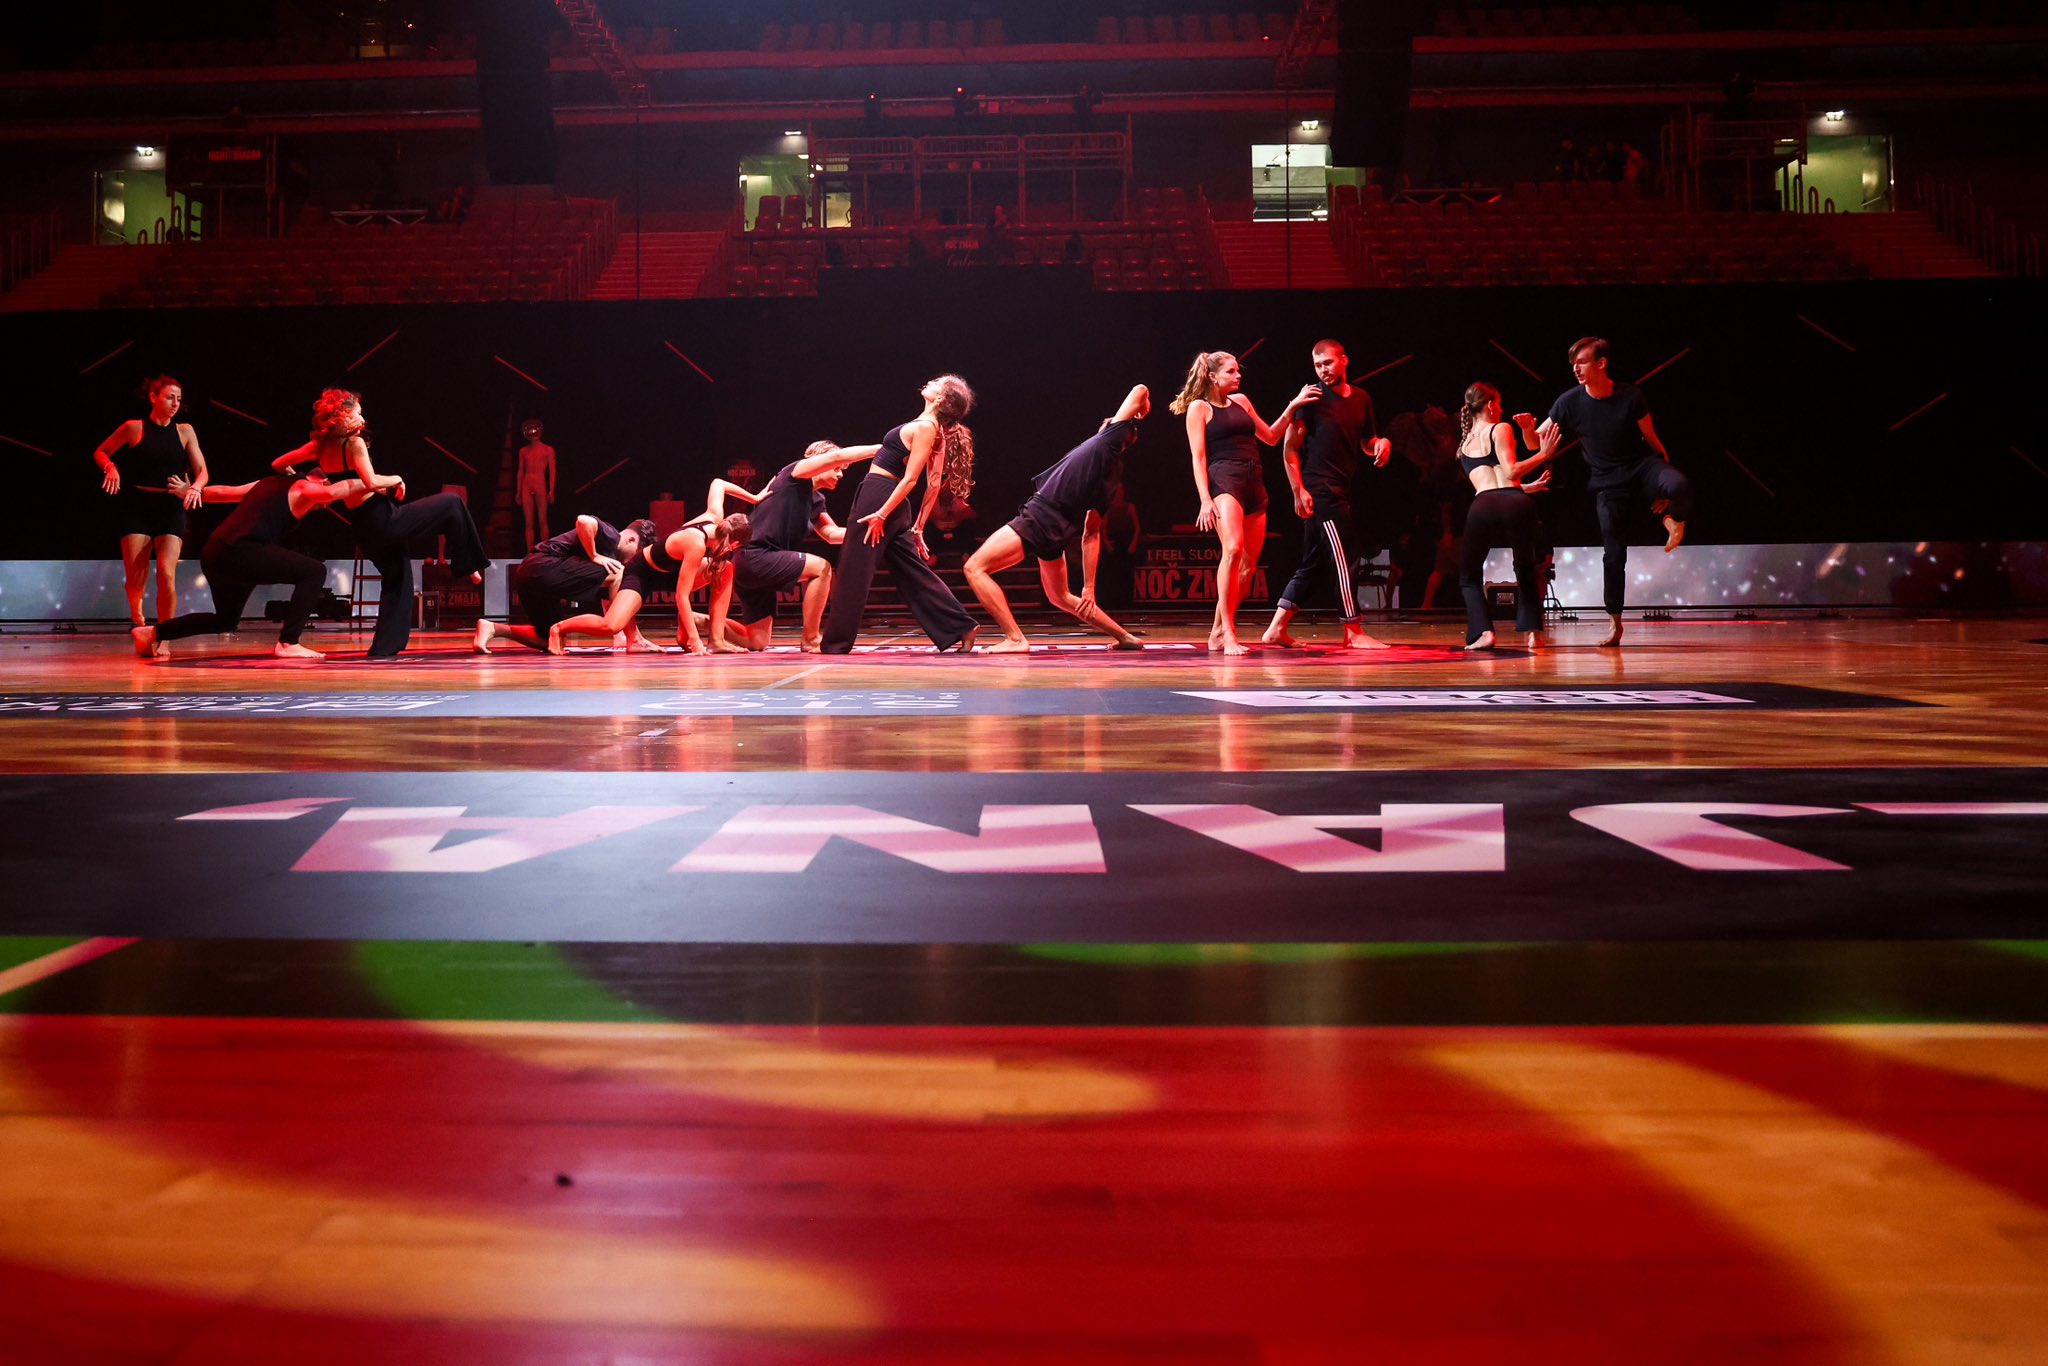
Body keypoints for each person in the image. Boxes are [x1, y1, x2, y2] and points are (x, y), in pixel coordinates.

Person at [271, 388, 487, 658]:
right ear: (343, 416)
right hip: (383, 518)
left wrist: (303, 482)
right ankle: (467, 564)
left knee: (398, 579)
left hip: (363, 527)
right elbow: (371, 481)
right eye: (358, 413)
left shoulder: (319, 447)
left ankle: (384, 648)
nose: (363, 418)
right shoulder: (354, 444)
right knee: (451, 503)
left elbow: (278, 464)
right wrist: (396, 478)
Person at [963, 384, 1153, 653]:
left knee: (975, 568)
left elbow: (1140, 389)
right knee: (1060, 596)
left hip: (1041, 515)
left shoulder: (1107, 441)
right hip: (1059, 527)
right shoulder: (1110, 472)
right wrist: (1088, 588)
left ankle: (1015, 638)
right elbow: (1091, 533)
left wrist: (1142, 410)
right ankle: (1125, 637)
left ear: (1119, 432)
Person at [1536, 336, 1694, 647]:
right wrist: (1529, 430)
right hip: (1608, 483)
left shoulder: (1630, 396)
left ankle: (1674, 520)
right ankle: (1615, 624)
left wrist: (1664, 490)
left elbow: (1652, 440)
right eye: (1573, 364)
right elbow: (1537, 441)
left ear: (1601, 363)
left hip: (1641, 467)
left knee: (1679, 486)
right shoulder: (1569, 402)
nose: (1576, 369)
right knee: (1614, 554)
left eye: (1582, 362)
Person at [130, 467, 368, 661]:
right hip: (241, 550)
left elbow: (225, 492)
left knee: (225, 621)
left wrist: (191, 491)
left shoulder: (267, 483)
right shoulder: (305, 487)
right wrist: (375, 482)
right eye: (322, 500)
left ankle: (151, 633)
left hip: (217, 551)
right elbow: (337, 491)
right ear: (322, 481)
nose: (321, 505)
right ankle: (288, 642)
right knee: (314, 571)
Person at [1168, 350, 1319, 654]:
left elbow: (1271, 437)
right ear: (1213, 376)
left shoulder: (1242, 401)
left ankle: (1216, 632)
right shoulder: (1199, 408)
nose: (1238, 375)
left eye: (1238, 370)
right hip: (1225, 480)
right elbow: (1198, 458)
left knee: (1248, 567)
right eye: (1231, 371)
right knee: (1233, 549)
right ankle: (1229, 634)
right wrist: (1205, 499)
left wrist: (1293, 405)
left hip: (1254, 480)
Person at [818, 375, 981, 654]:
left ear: (941, 398)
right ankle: (960, 626)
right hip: (890, 501)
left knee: (853, 569)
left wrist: (881, 514)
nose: (930, 382)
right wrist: (917, 527)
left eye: (937, 382)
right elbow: (933, 484)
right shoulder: (933, 430)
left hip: (880, 497)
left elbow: (913, 479)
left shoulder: (927, 428)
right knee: (912, 572)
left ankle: (835, 644)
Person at [1264, 339, 1392, 649]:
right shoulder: (1311, 399)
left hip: (1341, 488)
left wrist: (1382, 444)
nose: (1323, 370)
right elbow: (1289, 449)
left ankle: (1276, 629)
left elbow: (1367, 441)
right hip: (1321, 490)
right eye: (1318, 365)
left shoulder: (1361, 398)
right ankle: (1353, 630)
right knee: (1345, 556)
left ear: (1344, 360)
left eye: (1328, 363)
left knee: (1314, 563)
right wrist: (1298, 491)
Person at [713, 444, 872, 652]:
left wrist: (870, 530)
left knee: (757, 642)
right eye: (837, 468)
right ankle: (811, 638)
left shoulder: (816, 499)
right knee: (821, 568)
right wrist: (884, 448)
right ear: (820, 462)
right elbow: (838, 456)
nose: (841, 474)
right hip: (756, 556)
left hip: (758, 562)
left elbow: (831, 534)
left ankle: (697, 620)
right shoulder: (794, 474)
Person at [549, 505, 751, 655]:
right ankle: (558, 628)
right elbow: (681, 596)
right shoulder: (696, 543)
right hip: (642, 573)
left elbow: (718, 483)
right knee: (611, 625)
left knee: (725, 569)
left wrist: (755, 497)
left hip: (670, 573)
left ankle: (716, 640)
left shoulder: (714, 515)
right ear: (734, 544)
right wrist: (695, 641)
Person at [91, 374, 209, 628]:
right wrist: (111, 468)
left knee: (166, 573)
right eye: (170, 397)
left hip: (170, 507)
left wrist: (195, 488)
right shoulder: (134, 427)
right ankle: (137, 613)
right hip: (137, 507)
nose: (175, 403)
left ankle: (165, 633)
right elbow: (101, 451)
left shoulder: (185, 431)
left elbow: (203, 472)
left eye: (179, 399)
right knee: (136, 578)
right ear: (153, 397)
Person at [1453, 383, 1559, 650]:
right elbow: (1510, 473)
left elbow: (1490, 484)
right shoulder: (1500, 428)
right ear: (1490, 405)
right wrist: (1543, 454)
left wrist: (1526, 487)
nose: (1500, 409)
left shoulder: (1464, 444)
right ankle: (1533, 633)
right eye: (1499, 404)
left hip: (1484, 506)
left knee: (1468, 576)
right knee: (1525, 568)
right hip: (1515, 504)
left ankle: (1484, 632)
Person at [473, 515, 652, 654]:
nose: (634, 560)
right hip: (543, 564)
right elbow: (584, 520)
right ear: (631, 540)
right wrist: (594, 556)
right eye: (636, 554)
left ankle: (493, 628)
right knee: (620, 572)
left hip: (528, 575)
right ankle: (634, 639)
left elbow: (611, 600)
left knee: (548, 639)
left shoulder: (610, 562)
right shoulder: (612, 536)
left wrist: (618, 634)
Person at [516, 419, 556, 551]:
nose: (532, 431)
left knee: (542, 519)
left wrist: (552, 490)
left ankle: (544, 551)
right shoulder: (523, 451)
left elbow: (552, 471)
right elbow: (521, 471)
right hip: (527, 484)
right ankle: (530, 552)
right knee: (529, 522)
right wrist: (518, 491)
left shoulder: (548, 450)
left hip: (539, 482)